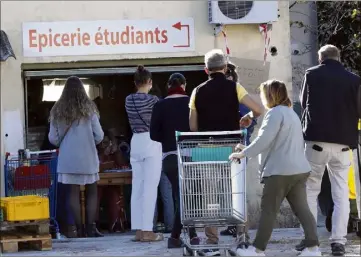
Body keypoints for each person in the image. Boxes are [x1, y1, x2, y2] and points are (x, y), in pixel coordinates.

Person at [229, 79, 321, 257]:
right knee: (303, 210)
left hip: (280, 171)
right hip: (299, 169)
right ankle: (313, 248)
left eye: (263, 94)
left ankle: (257, 250)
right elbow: (273, 140)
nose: (262, 98)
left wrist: (243, 154)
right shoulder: (289, 112)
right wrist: (246, 148)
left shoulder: (274, 114)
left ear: (269, 95)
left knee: (269, 210)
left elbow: (264, 140)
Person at [189, 49, 263, 256]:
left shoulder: (197, 91)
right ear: (225, 68)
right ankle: (242, 238)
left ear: (206, 70)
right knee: (236, 194)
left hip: (207, 151)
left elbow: (193, 127)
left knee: (210, 198)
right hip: (233, 149)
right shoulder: (235, 87)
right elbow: (258, 109)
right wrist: (247, 117)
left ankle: (213, 240)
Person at [298, 44, 361, 256]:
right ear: (339, 57)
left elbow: (303, 102)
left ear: (320, 58)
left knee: (309, 189)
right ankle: (338, 242)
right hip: (344, 144)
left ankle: (309, 239)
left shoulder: (311, 74)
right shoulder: (354, 80)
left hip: (316, 142)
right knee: (340, 192)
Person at [48, 76, 104, 238]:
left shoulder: (57, 110)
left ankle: (78, 229)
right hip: (88, 157)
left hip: (68, 159)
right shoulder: (90, 109)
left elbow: (53, 139)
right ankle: (91, 228)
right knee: (92, 190)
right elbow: (99, 135)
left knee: (72, 192)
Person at [150, 73, 201, 249]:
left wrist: (167, 137)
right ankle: (186, 236)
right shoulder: (192, 103)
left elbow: (153, 134)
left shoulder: (159, 105)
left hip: (169, 156)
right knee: (188, 196)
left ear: (168, 85)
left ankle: (179, 237)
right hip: (191, 154)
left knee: (181, 196)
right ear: (184, 85)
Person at [125, 65, 163, 242]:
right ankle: (148, 230)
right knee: (150, 187)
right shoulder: (154, 100)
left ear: (135, 82)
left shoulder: (128, 99)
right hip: (151, 141)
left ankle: (139, 229)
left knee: (137, 187)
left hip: (136, 142)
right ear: (149, 82)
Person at [221, 62, 257, 239]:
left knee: (238, 189)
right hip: (233, 146)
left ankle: (241, 229)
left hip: (239, 147)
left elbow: (252, 119)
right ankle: (234, 226)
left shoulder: (238, 95)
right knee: (230, 189)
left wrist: (242, 129)